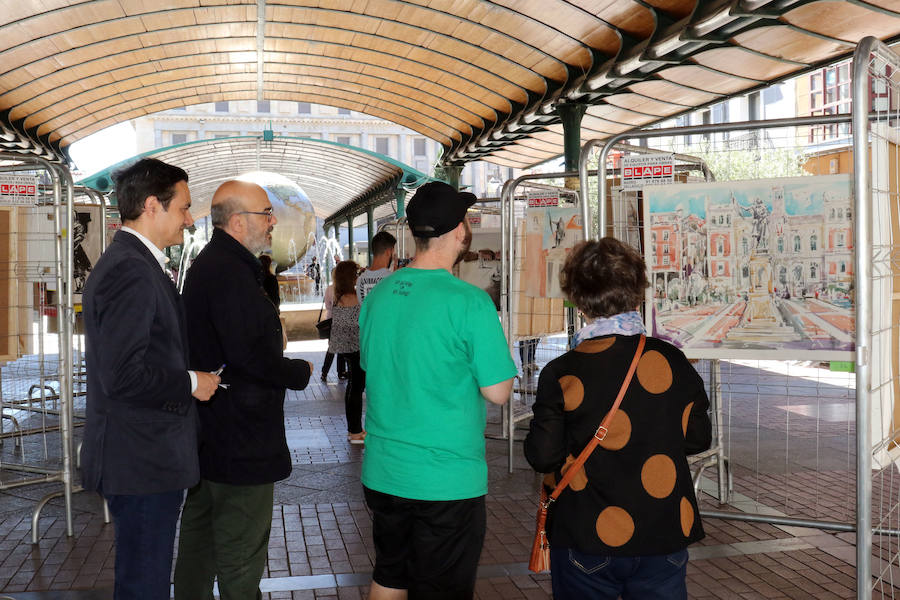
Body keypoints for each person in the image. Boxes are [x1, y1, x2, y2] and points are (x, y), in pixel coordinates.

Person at [523, 237, 712, 600]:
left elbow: (542, 456)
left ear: (577, 299)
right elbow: (697, 439)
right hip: (663, 531)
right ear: (638, 294)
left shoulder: (563, 372)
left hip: (586, 534)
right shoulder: (674, 361)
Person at [359, 181, 517, 598]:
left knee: (389, 574)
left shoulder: (379, 296)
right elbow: (498, 392)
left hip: (384, 470)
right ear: (459, 231)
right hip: (445, 479)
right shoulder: (469, 302)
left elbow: (371, 368)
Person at [80, 158, 220, 600]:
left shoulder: (136, 262)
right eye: (183, 207)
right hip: (141, 462)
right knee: (144, 583)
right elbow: (122, 374)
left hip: (143, 458)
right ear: (151, 206)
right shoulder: (130, 270)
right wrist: (190, 382)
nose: (190, 218)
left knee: (145, 577)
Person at [173, 180, 313, 600]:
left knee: (200, 539)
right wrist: (297, 371)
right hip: (240, 438)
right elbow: (248, 354)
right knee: (240, 549)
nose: (273, 222)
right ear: (237, 221)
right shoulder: (230, 272)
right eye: (265, 213)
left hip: (212, 434)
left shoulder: (213, 265)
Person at [329, 260, 366, 443]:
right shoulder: (354, 297)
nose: (358, 276)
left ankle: (354, 428)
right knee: (357, 388)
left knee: (353, 386)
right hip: (355, 346)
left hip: (345, 347)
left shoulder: (339, 295)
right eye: (356, 273)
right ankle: (355, 430)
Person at [321, 272, 349, 381]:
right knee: (340, 348)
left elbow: (327, 305)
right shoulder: (344, 289)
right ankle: (340, 372)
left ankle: (325, 372)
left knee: (332, 348)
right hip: (342, 321)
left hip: (331, 320)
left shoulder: (329, 288)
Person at [357, 231, 396, 303]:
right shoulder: (392, 279)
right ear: (388, 252)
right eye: (393, 252)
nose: (393, 257)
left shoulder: (360, 280)